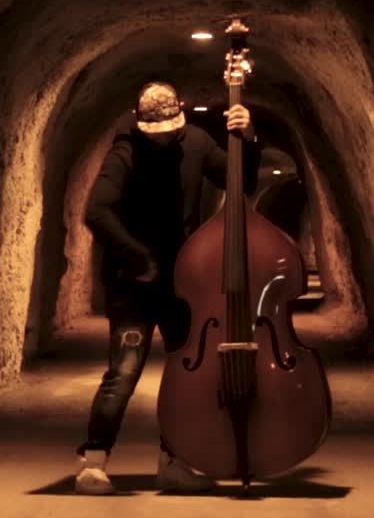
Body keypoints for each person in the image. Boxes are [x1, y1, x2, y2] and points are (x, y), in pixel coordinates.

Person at [74, 81, 260, 495]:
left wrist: (247, 137)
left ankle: (175, 460)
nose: (161, 141)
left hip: (182, 283)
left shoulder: (195, 142)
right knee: (123, 372)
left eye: (168, 134)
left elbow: (241, 181)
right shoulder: (125, 151)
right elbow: (97, 211)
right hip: (134, 284)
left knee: (185, 375)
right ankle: (93, 464)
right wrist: (138, 255)